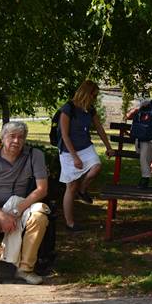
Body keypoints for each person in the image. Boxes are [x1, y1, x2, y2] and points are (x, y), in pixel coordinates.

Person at [0, 122, 49, 284]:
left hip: (23, 206)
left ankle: (25, 269)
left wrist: (16, 211)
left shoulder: (35, 155)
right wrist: (1, 215)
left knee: (39, 216)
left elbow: (42, 189)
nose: (16, 141)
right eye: (12, 136)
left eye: (20, 137)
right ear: (3, 138)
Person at [58, 80, 114, 231]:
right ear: (86, 93)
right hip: (68, 151)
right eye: (93, 96)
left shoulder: (90, 109)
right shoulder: (68, 108)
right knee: (70, 186)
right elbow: (65, 135)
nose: (95, 99)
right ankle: (70, 223)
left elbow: (100, 128)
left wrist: (108, 147)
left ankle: (82, 190)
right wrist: (75, 157)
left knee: (96, 166)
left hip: (86, 146)